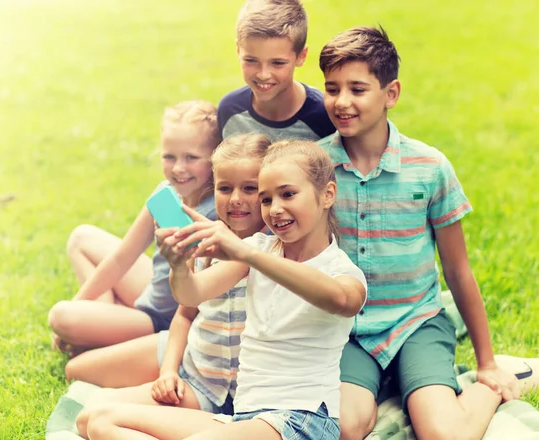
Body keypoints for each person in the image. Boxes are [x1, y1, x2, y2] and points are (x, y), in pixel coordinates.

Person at [80, 140, 367, 440]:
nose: (276, 209)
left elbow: (341, 299)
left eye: (288, 194)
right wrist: (180, 265)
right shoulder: (257, 249)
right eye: (267, 200)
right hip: (246, 418)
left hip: (301, 420)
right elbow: (191, 295)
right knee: (100, 420)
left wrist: (249, 255)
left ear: (327, 195)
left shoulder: (342, 271)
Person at [317, 26, 521, 440]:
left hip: (417, 322)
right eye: (332, 88)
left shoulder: (430, 167)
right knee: (344, 428)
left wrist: (486, 363)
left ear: (391, 94)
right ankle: (387, 384)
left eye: (358, 89)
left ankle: (489, 390)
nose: (342, 102)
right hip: (349, 332)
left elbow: (458, 271)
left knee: (445, 436)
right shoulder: (316, 167)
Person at [74, 133, 271, 438]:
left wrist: (180, 266)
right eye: (225, 188)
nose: (235, 199)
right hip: (203, 383)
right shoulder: (209, 240)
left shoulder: (273, 249)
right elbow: (185, 314)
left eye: (250, 189)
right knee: (87, 415)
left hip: (249, 401)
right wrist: (168, 373)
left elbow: (195, 288)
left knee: (101, 422)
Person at [48, 101, 220, 380]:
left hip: (164, 320)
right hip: (153, 292)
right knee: (81, 239)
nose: (179, 168)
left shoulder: (217, 209)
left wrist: (77, 315)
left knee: (60, 317)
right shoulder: (166, 194)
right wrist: (82, 303)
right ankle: (102, 322)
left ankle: (103, 330)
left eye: (191, 157)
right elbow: (119, 260)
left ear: (214, 157)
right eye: (169, 157)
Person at [217, 0, 335, 142]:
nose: (263, 74)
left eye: (278, 63)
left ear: (301, 56)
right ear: (238, 50)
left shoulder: (324, 115)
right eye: (251, 60)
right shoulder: (230, 110)